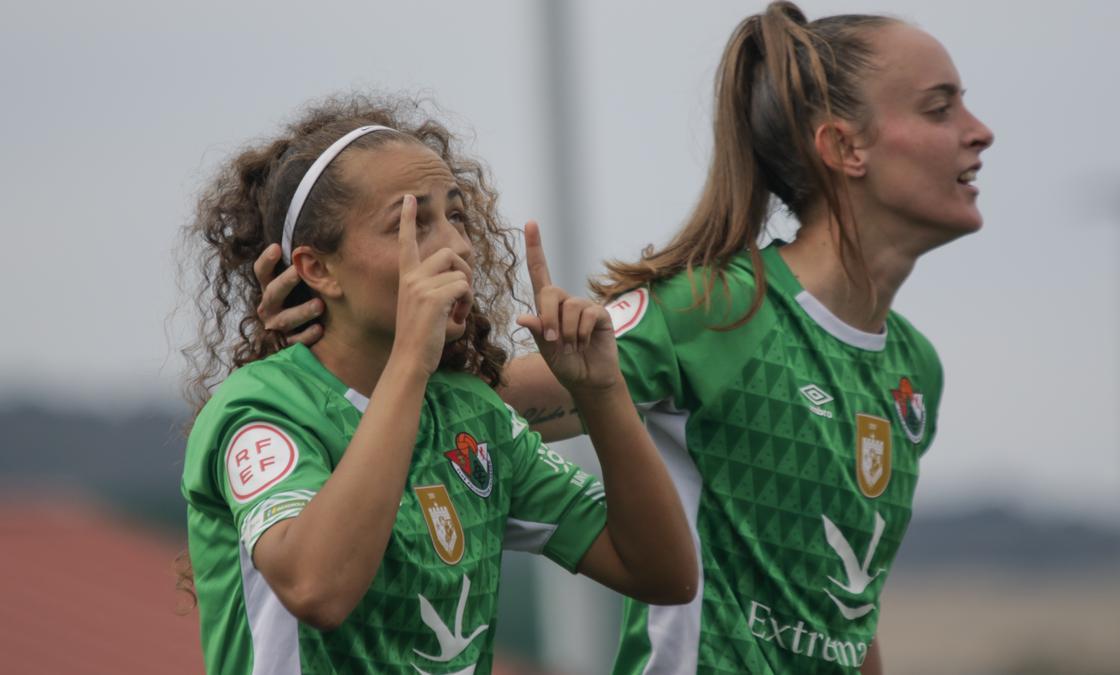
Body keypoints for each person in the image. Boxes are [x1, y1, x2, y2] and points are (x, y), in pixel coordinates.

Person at [259, 3, 994, 672]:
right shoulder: (718, 310)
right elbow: (474, 409)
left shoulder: (913, 370)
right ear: (844, 147)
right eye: (940, 107)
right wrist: (336, 339)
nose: (978, 129)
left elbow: (846, 622)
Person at [178, 94, 697, 675]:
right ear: (318, 269)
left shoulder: (470, 414)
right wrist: (410, 360)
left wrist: (601, 394)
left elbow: (664, 573)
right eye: (410, 223)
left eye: (455, 215)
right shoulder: (263, 410)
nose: (457, 246)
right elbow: (317, 588)